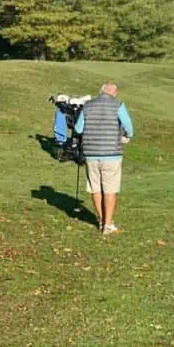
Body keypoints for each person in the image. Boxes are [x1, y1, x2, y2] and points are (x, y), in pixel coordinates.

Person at [74, 83, 134, 235]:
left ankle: (101, 220)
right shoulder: (117, 104)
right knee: (110, 189)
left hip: (91, 153)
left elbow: (78, 129)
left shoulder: (87, 106)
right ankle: (107, 225)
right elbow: (128, 125)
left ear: (100, 91)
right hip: (111, 154)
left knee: (95, 188)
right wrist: (127, 137)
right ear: (114, 93)